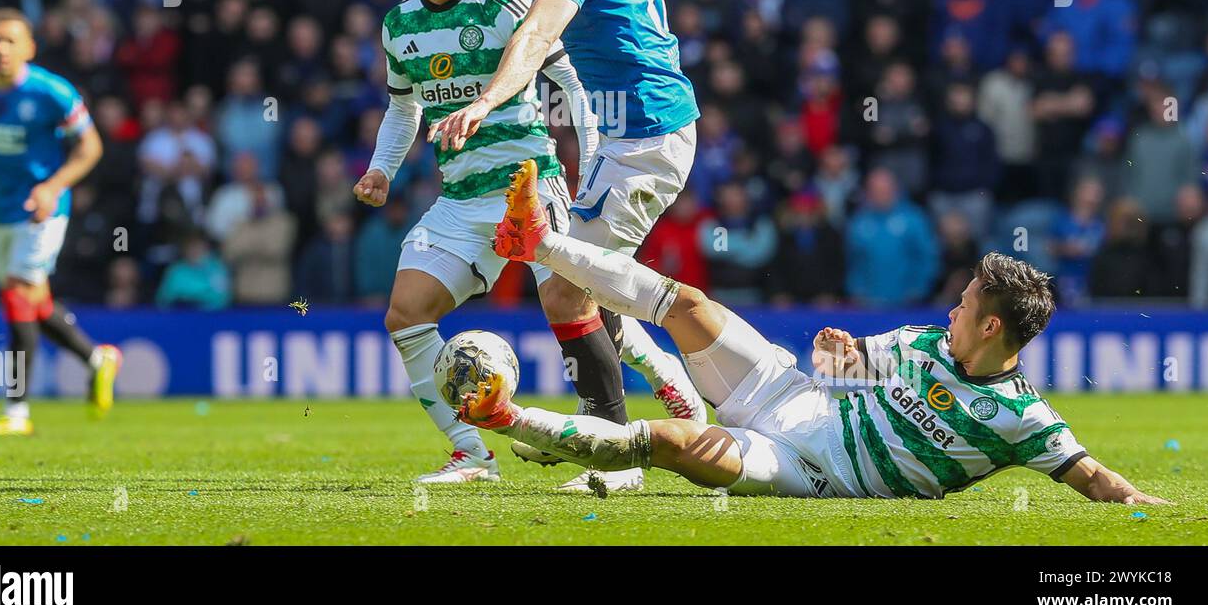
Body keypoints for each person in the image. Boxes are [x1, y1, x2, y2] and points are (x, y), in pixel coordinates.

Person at [427, 0, 826, 491]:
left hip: (645, 140)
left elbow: (536, 33)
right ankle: (661, 403)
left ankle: (614, 449)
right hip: (633, 135)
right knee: (578, 277)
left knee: (564, 286)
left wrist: (484, 100)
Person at [460, 160, 1169, 507]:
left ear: (992, 327)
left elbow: (1096, 479)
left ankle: (504, 415)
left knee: (673, 444)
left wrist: (1149, 510)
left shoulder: (1021, 419)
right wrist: (840, 356)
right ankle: (539, 242)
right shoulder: (926, 343)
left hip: (804, 467)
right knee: (687, 304)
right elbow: (849, 369)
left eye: (962, 306)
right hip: (791, 392)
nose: (949, 311)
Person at [351, 0, 701, 484]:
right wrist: (382, 169)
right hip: (461, 201)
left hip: (530, 187)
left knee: (576, 299)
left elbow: (573, 85)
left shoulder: (510, 8)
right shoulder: (399, 26)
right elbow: (405, 108)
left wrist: (591, 160)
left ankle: (655, 394)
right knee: (405, 315)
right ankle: (473, 453)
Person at [0, 9, 121, 435]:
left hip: (42, 209)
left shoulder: (52, 92)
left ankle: (16, 411)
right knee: (34, 302)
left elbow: (91, 147)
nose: (2, 49)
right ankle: (98, 359)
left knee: (18, 296)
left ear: (29, 48)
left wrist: (53, 186)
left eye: (10, 41)